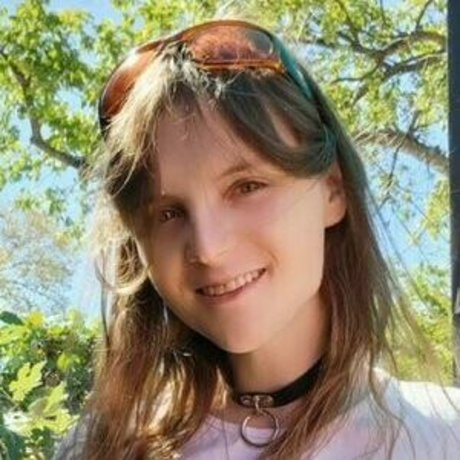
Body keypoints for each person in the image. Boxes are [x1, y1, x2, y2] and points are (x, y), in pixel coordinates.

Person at [54, 19, 460, 460]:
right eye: (168, 213)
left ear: (332, 189)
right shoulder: (99, 448)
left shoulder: (441, 436)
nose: (208, 248)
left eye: (246, 187)